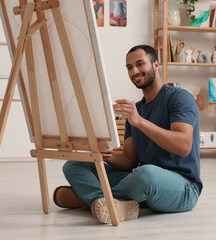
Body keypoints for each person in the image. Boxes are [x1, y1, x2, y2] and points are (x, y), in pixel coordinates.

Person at [54, 45, 203, 224]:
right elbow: (129, 161)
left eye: (140, 64)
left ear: (156, 64)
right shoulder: (137, 109)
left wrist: (139, 121)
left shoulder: (179, 98)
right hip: (141, 179)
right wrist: (105, 154)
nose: (135, 71)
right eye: (129, 67)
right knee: (74, 165)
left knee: (145, 174)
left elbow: (183, 146)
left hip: (182, 187)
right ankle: (102, 201)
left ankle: (88, 198)